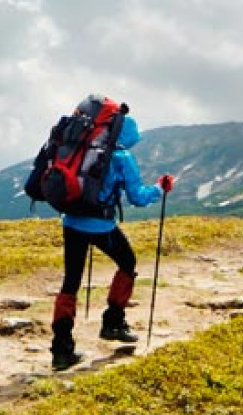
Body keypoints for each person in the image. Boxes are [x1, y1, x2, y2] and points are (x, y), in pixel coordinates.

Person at [50, 113, 174, 370]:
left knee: (71, 281)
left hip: (71, 222)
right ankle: (113, 323)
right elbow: (138, 197)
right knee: (127, 262)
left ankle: (61, 350)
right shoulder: (122, 157)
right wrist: (161, 188)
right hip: (101, 225)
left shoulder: (82, 149)